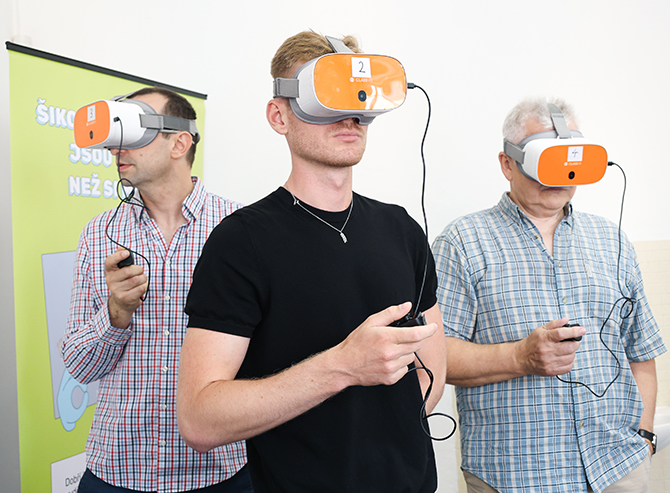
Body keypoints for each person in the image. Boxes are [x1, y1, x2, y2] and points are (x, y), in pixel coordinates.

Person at [177, 31, 446, 493]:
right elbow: (199, 419)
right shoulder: (240, 243)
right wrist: (343, 366)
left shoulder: (401, 230)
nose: (349, 116)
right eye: (326, 97)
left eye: (357, 97)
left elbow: (431, 372)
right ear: (279, 115)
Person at [431, 96, 666, 493]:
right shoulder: (462, 242)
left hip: (617, 469)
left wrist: (643, 436)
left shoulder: (611, 240)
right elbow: (434, 358)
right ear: (508, 164)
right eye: (544, 160)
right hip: (514, 475)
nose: (558, 176)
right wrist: (520, 357)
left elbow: (641, 353)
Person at [62, 87, 252, 493]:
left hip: (220, 472)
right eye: (116, 136)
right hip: (117, 471)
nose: (117, 148)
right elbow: (79, 366)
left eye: (134, 131)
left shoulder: (240, 228)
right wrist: (116, 314)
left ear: (179, 143)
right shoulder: (98, 234)